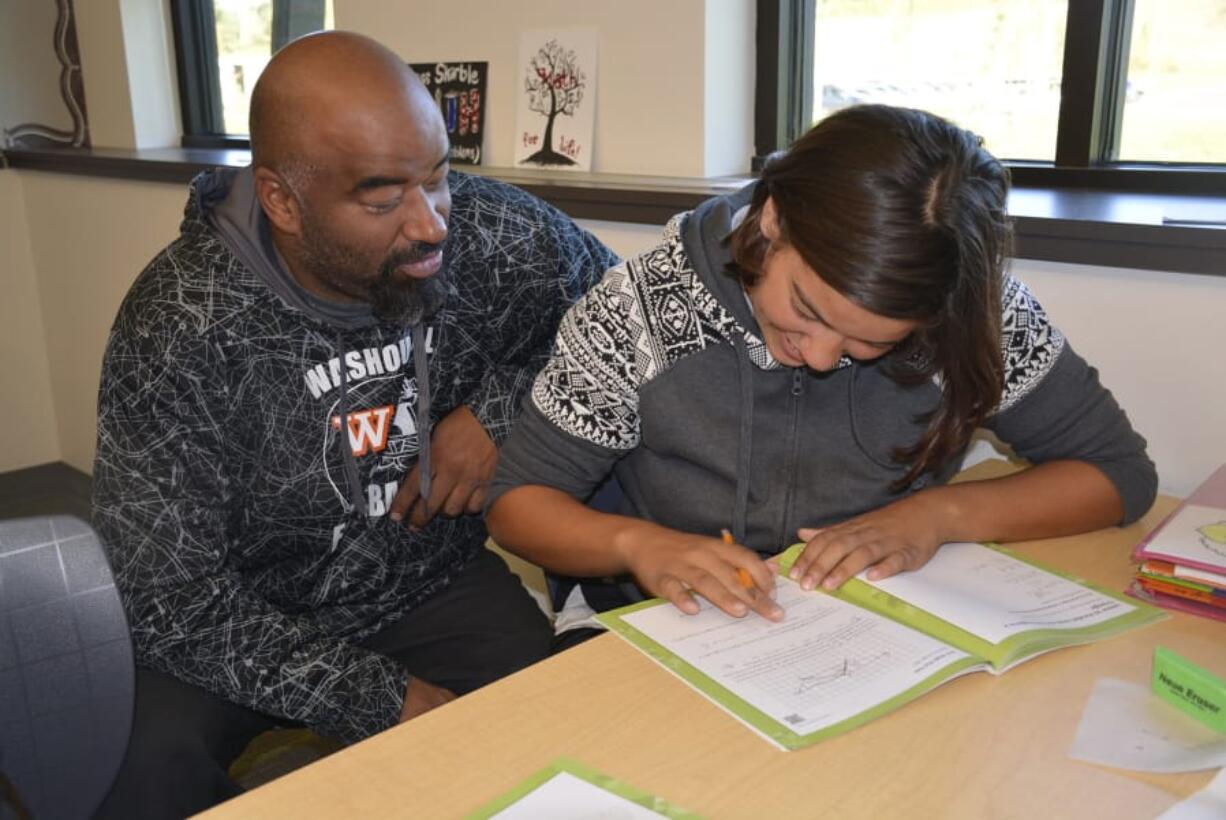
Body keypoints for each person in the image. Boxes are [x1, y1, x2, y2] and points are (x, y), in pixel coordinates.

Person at [92, 31, 617, 819]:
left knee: (559, 724)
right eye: (382, 198)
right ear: (281, 200)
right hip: (240, 612)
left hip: (423, 580)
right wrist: (377, 697)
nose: (433, 222)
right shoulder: (182, 323)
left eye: (438, 177)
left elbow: (618, 322)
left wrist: (500, 411)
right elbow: (168, 598)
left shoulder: (494, 232)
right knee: (136, 768)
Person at [485, 104, 1156, 642]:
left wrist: (939, 515)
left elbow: (1116, 474)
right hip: (650, 624)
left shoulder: (972, 311)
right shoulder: (638, 308)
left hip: (868, 622)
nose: (821, 356)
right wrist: (639, 546)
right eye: (807, 310)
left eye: (874, 342)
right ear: (772, 218)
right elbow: (517, 507)